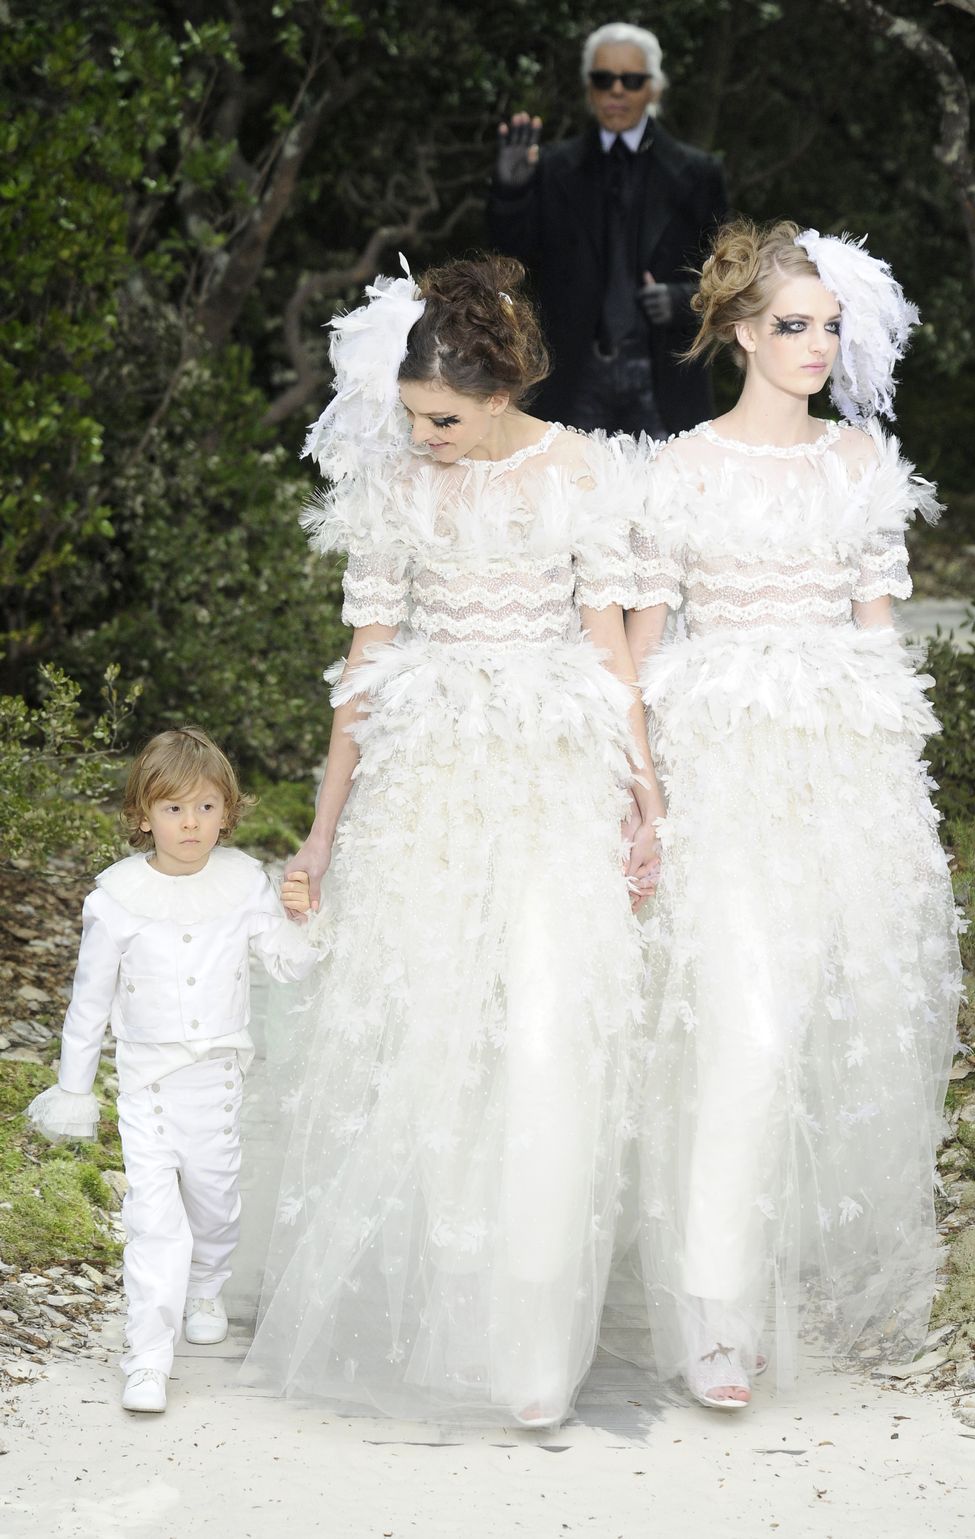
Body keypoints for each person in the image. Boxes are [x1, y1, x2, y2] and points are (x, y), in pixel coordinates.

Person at [241, 254, 663, 1430]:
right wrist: (322, 836)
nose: (420, 434)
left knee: (541, 1040)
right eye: (410, 414)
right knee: (432, 1047)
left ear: (499, 392)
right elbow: (363, 671)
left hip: (546, 783)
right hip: (424, 793)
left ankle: (535, 1343)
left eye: (440, 417)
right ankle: (453, 1319)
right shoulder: (395, 490)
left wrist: (645, 800)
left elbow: (613, 654)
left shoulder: (578, 469)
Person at [625, 220, 962, 1409]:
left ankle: (762, 1287)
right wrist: (644, 798)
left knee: (813, 1040)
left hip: (840, 782)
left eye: (828, 326)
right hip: (721, 781)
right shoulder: (676, 471)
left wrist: (901, 815)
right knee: (745, 1038)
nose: (815, 345)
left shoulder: (861, 466)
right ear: (733, 330)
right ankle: (717, 1314)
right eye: (790, 325)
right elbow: (644, 649)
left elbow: (878, 635)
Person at [25, 728, 325, 1414]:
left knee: (215, 1201)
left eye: (206, 808)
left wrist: (302, 918)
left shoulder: (244, 883)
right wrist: (75, 1086)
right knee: (155, 1218)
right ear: (143, 816)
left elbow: (287, 962)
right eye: (173, 809)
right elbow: (89, 999)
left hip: (216, 1078)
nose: (191, 824)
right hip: (147, 1085)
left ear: (227, 811)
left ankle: (207, 1283)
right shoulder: (118, 898)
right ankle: (148, 1355)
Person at [488, 22, 728, 438]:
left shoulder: (697, 173)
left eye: (631, 80)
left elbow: (727, 274)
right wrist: (511, 189)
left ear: (654, 88)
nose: (616, 91)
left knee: (667, 496)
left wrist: (679, 298)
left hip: (664, 372)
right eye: (603, 80)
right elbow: (511, 261)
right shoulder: (552, 167)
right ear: (589, 88)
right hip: (572, 373)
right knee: (568, 492)